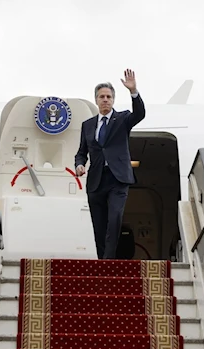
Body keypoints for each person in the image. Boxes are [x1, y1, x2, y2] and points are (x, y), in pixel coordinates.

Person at [74, 69, 146, 259]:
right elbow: (81, 152)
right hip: (96, 180)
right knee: (99, 224)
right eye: (101, 97)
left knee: (114, 219)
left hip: (118, 178)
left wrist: (133, 91)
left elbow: (140, 114)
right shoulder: (88, 125)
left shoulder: (122, 119)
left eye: (108, 96)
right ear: (96, 100)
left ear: (113, 100)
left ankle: (109, 260)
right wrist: (79, 165)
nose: (105, 100)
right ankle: (101, 260)